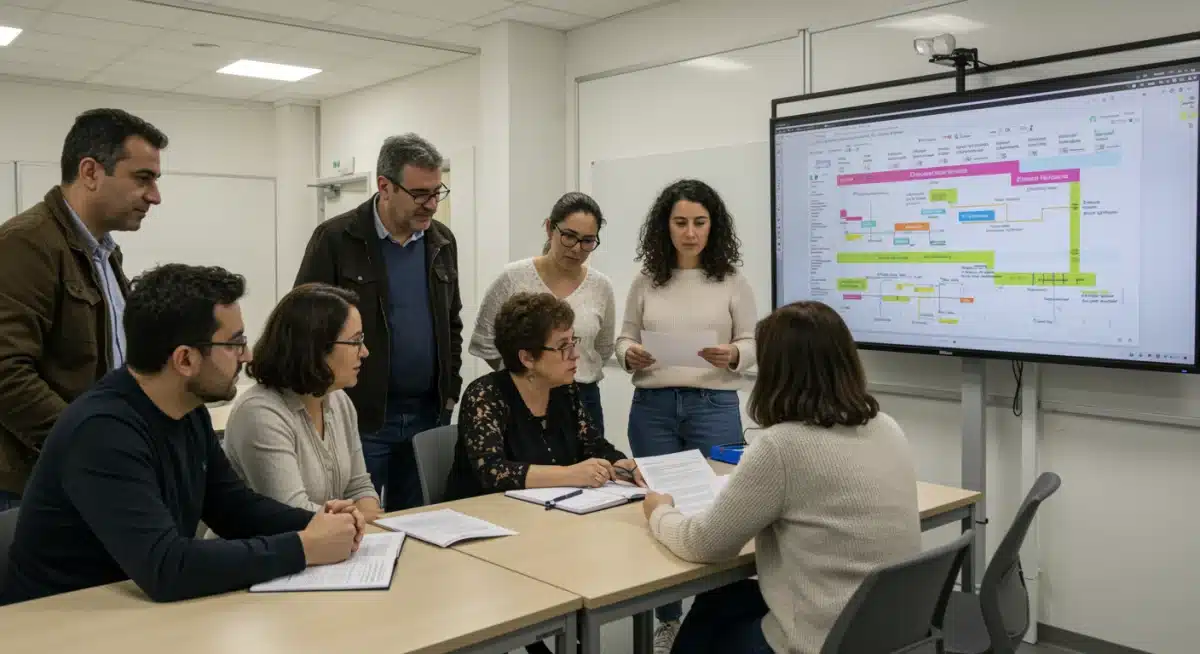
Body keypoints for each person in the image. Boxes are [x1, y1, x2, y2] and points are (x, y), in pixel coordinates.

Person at [0, 264, 365, 606]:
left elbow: (234, 508)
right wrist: (304, 546)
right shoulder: (102, 432)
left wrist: (320, 524)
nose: (247, 354)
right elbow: (166, 566)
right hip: (60, 621)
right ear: (185, 360)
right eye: (234, 343)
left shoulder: (187, 411)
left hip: (130, 609)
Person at [641, 301, 922, 654]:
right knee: (724, 598)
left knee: (711, 618)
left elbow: (704, 544)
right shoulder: (887, 426)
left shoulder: (782, 446)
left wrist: (659, 511)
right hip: (889, 631)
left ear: (777, 372)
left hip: (821, 642)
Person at [614, 178, 758, 651]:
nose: (690, 232)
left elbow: (753, 341)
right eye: (680, 223)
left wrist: (734, 355)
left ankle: (716, 612)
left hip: (713, 405)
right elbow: (623, 337)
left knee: (719, 503)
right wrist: (630, 351)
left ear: (713, 227)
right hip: (653, 407)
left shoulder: (732, 280)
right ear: (666, 226)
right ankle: (667, 619)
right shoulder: (646, 280)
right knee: (660, 505)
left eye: (699, 222)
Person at [0, 108, 167, 509]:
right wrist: (90, 439)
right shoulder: (26, 244)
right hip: (32, 481)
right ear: (90, 172)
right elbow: (5, 371)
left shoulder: (104, 253)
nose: (155, 196)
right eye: (143, 178)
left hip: (83, 468)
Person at [295, 133, 463, 512]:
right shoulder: (336, 239)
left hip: (428, 413)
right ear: (384, 186)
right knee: (358, 526)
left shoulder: (442, 242)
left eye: (438, 192)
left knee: (420, 526)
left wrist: (450, 388)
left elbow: (451, 322)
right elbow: (305, 325)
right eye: (421, 193)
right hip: (359, 414)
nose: (432, 204)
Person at [445, 292, 642, 502]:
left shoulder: (565, 390)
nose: (575, 354)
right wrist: (570, 474)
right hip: (485, 514)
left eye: (573, 341)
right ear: (527, 357)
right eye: (563, 346)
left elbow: (594, 447)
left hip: (549, 512)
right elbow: (493, 472)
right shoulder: (485, 395)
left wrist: (625, 466)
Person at [222, 284, 382, 522]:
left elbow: (360, 488)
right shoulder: (260, 412)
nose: (365, 352)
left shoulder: (339, 400)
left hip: (333, 546)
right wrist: (357, 520)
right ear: (315, 347)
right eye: (355, 341)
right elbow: (291, 513)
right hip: (257, 553)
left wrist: (360, 518)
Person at [469, 192, 615, 431]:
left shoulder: (601, 286)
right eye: (569, 236)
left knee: (591, 466)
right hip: (524, 397)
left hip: (583, 398)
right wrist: (526, 374)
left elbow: (603, 348)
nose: (577, 249)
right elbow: (485, 343)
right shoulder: (513, 278)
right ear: (550, 229)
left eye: (588, 241)